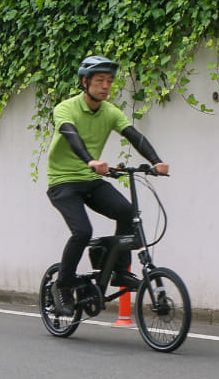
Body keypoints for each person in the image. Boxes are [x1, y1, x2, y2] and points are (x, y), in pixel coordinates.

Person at [46, 55, 170, 316]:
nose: (105, 86)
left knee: (127, 212)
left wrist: (156, 162)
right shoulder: (65, 108)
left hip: (91, 180)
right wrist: (90, 160)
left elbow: (134, 135)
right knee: (81, 231)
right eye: (100, 80)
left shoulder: (110, 112)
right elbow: (71, 134)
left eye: (109, 81)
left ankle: (117, 271)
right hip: (63, 183)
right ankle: (63, 285)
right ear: (85, 82)